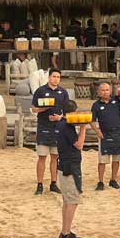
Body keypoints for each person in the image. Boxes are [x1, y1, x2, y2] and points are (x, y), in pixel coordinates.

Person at [31, 67, 69, 195]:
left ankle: (53, 183)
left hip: (58, 129)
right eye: (54, 76)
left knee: (55, 157)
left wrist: (60, 117)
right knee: (42, 157)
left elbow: (67, 111)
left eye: (58, 77)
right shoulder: (41, 91)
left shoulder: (63, 92)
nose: (56, 79)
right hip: (44, 127)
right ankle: (40, 184)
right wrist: (44, 108)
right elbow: (33, 109)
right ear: (49, 77)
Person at [55, 99, 87, 238]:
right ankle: (65, 234)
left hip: (64, 165)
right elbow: (79, 145)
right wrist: (83, 128)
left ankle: (65, 231)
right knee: (72, 201)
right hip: (70, 167)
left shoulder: (61, 123)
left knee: (67, 201)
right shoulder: (66, 126)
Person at [91, 82, 120, 190]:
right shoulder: (96, 105)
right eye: (102, 90)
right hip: (104, 135)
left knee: (116, 159)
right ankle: (100, 182)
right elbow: (91, 120)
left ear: (110, 91)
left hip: (118, 133)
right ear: (98, 92)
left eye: (107, 90)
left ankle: (113, 180)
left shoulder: (116, 100)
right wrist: (97, 132)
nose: (105, 92)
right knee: (102, 160)